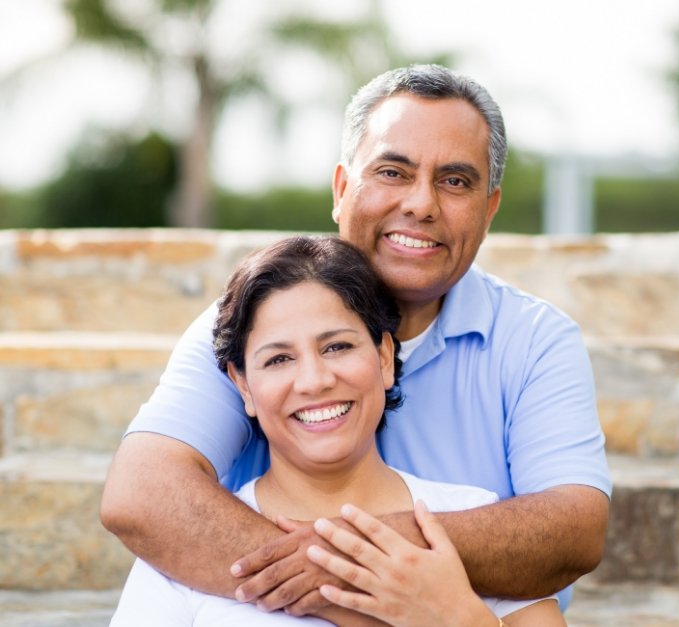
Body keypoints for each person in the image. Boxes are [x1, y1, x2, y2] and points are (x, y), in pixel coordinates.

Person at [100, 64, 611, 618]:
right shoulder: (252, 321)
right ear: (342, 189)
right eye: (392, 172)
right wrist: (357, 595)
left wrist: (353, 562)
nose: (421, 204)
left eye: (456, 181)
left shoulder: (535, 341)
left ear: (489, 210)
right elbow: (143, 493)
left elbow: (573, 530)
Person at [109, 235, 564, 626]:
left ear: (384, 357)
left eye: (338, 346)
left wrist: (458, 618)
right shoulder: (185, 550)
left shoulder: (470, 518)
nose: (314, 380)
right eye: (279, 359)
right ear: (242, 385)